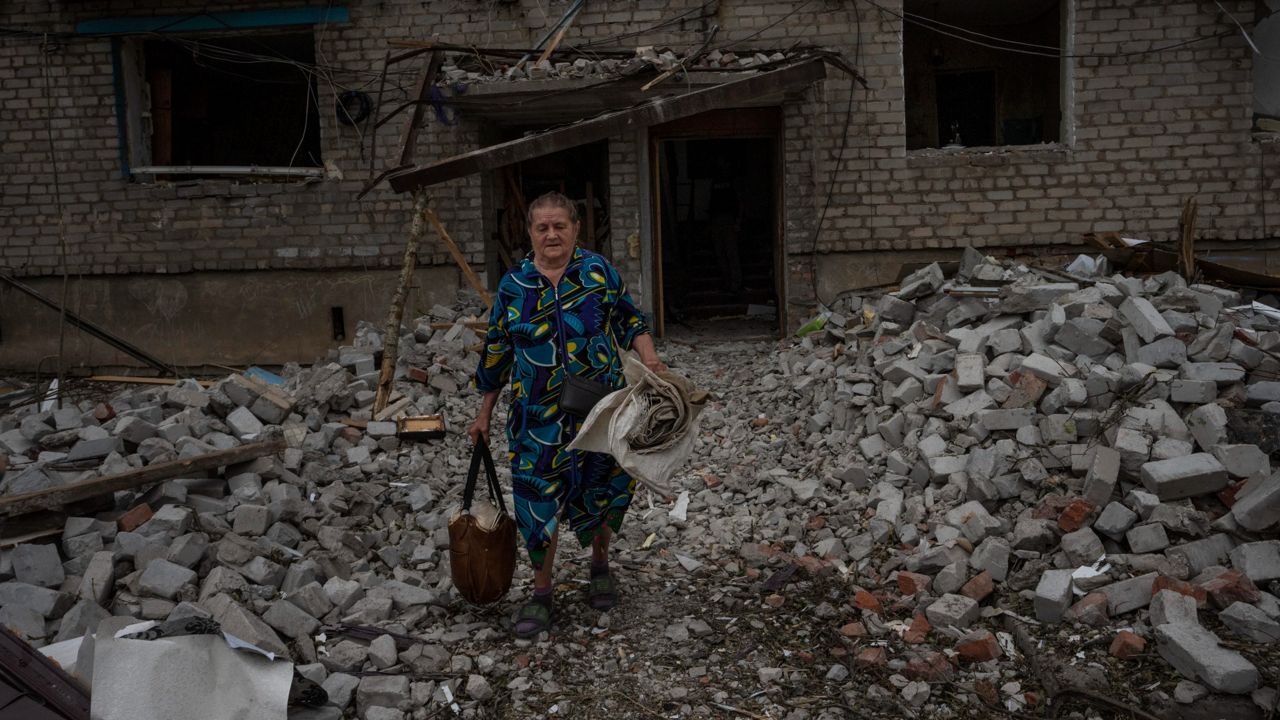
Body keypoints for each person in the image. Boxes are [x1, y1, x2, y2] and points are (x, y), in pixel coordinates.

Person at [468, 191, 665, 638]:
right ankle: (541, 594)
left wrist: (650, 359)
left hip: (600, 412)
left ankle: (599, 565)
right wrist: (483, 414)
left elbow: (631, 321)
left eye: (560, 226)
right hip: (536, 420)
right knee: (537, 504)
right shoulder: (514, 287)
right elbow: (495, 353)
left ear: (576, 229)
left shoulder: (598, 273)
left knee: (602, 489)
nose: (552, 234)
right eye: (543, 227)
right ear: (531, 234)